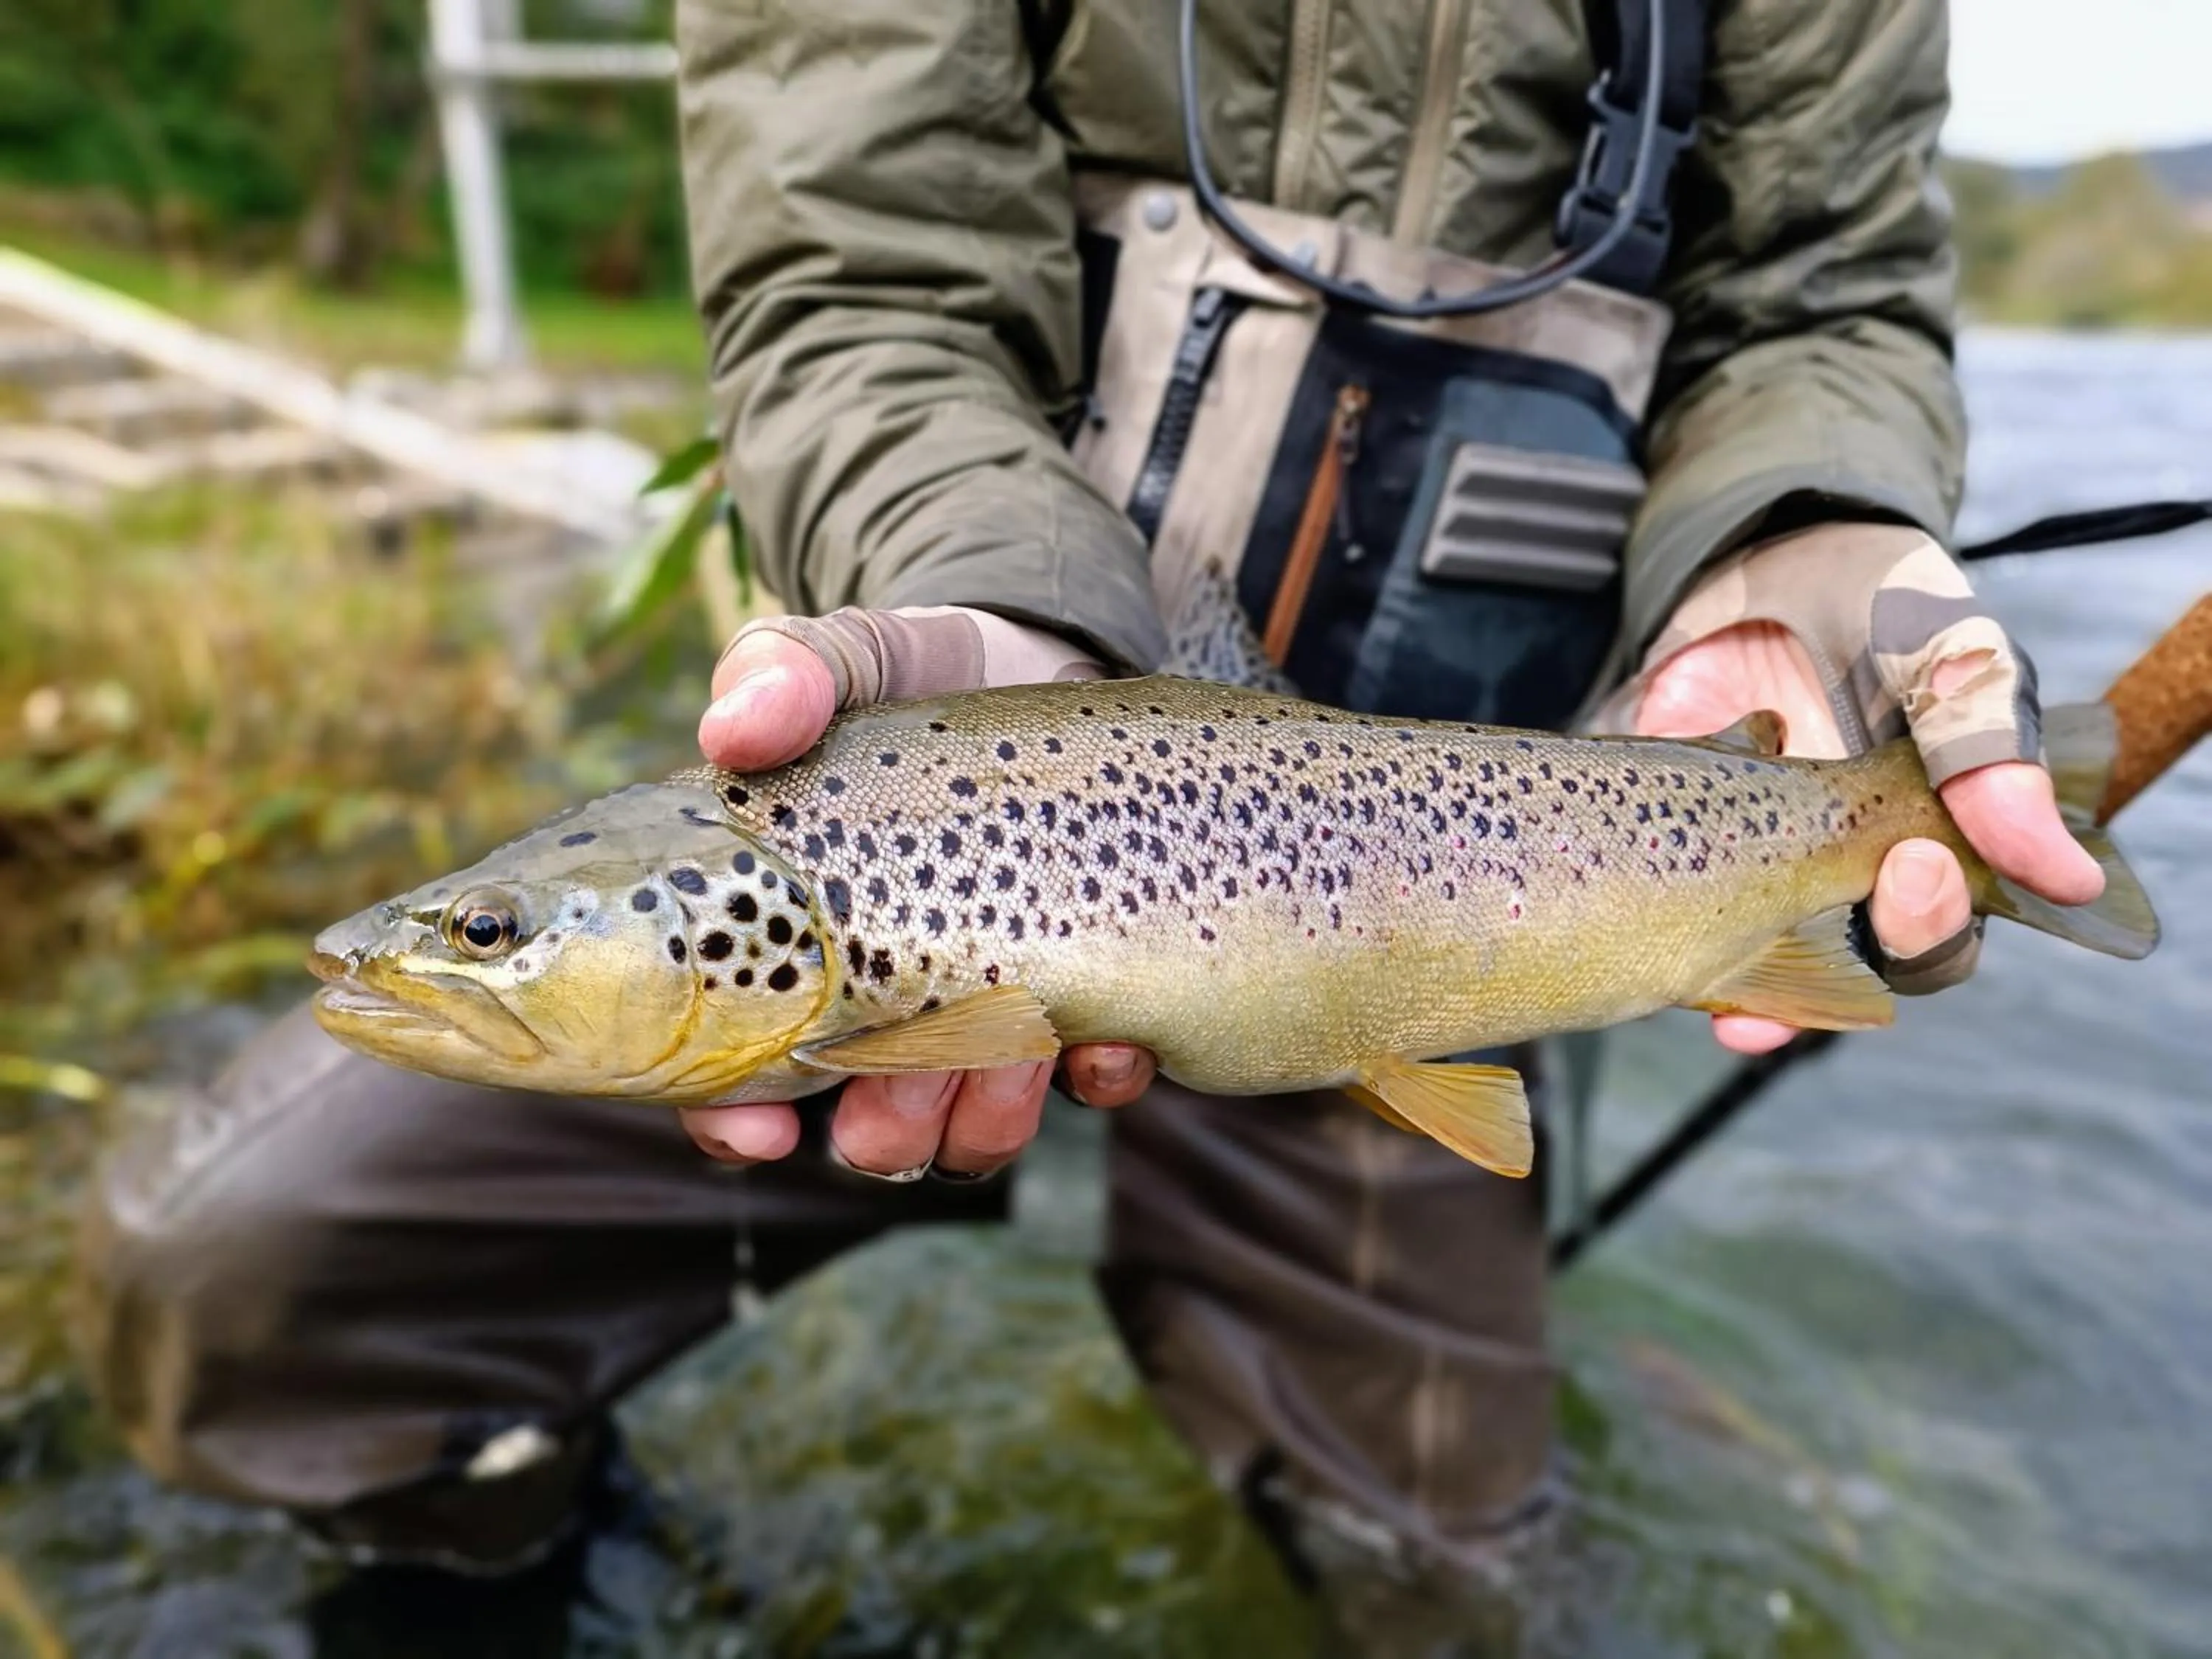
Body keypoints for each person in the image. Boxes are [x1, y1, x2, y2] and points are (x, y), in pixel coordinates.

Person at [77, 0, 2101, 1621]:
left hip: (1447, 883)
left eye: (497, 936)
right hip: (978, 667)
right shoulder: (806, 904)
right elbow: (850, 276)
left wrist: (1809, 530)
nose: (437, 952)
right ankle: (511, 1568)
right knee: (227, 1282)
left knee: (1451, 1583)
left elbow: (1825, 300)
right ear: (723, 921)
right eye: (500, 938)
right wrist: (1004, 597)